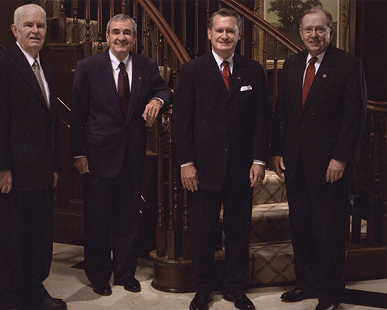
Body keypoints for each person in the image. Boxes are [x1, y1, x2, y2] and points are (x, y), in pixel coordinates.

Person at [270, 7, 367, 310]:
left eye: (319, 29)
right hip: (296, 164)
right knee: (301, 228)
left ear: (330, 31)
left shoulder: (349, 65)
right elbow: (282, 113)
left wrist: (340, 159)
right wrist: (277, 151)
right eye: (308, 30)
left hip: (329, 167)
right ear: (300, 33)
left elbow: (355, 118)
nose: (313, 35)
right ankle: (305, 284)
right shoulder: (293, 64)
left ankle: (329, 294)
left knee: (329, 232)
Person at [173, 8, 269, 310]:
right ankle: (202, 289)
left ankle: (235, 287)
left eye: (230, 31)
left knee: (239, 229)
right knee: (203, 231)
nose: (225, 36)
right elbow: (182, 122)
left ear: (239, 35)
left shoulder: (252, 69)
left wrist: (259, 160)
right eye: (220, 31)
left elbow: (261, 120)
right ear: (209, 34)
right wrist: (186, 163)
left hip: (242, 168)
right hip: (203, 168)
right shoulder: (192, 70)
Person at [70, 14, 172, 296]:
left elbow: (164, 89)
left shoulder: (146, 66)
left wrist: (157, 99)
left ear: (134, 38)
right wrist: (78, 153)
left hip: (132, 157)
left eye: (127, 33)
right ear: (106, 36)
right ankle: (99, 275)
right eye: (116, 32)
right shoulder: (88, 67)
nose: (121, 37)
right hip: (97, 157)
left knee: (128, 219)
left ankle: (125, 273)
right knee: (98, 220)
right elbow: (77, 115)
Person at [0, 4, 66, 310]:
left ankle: (33, 293)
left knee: (36, 239)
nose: (35, 31)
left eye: (40, 26)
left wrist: (54, 167)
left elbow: (50, 122)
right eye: (28, 25)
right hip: (12, 174)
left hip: (40, 174)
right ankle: (9, 303)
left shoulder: (48, 66)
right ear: (14, 30)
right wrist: (2, 168)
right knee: (9, 243)